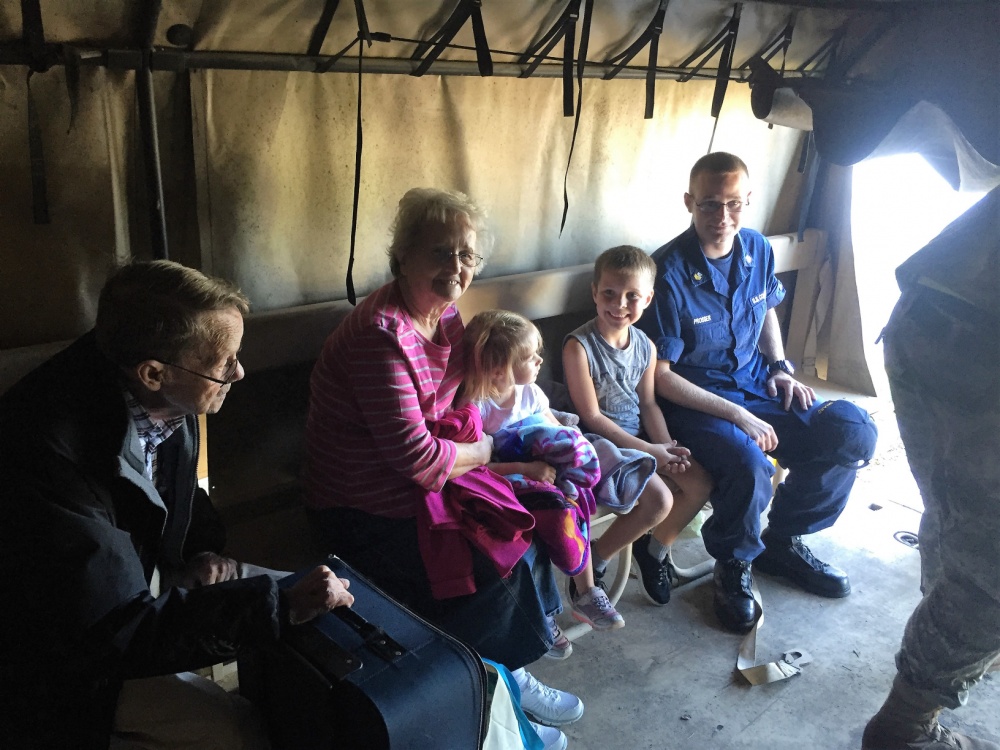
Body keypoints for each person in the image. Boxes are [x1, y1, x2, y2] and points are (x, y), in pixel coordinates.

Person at [0, 260, 355, 750]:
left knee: (312, 598)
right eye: (224, 362)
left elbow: (171, 501)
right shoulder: (49, 451)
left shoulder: (163, 393)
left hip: (125, 594)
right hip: (54, 663)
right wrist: (278, 606)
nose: (240, 371)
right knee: (236, 731)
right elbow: (114, 630)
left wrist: (199, 554)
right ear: (153, 373)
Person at [303, 187, 582, 750]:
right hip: (363, 510)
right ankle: (493, 702)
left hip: (419, 491)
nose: (456, 268)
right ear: (403, 254)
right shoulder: (381, 337)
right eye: (440, 252)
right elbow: (420, 460)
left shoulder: (446, 317)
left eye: (467, 255)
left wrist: (480, 449)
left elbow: (458, 409)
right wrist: (488, 454)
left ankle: (506, 673)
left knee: (530, 520)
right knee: (486, 565)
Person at [635, 152, 878, 633]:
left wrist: (781, 367)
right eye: (708, 205)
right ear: (689, 203)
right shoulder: (668, 272)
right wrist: (738, 417)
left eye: (733, 204)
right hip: (693, 403)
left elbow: (766, 306)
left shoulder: (756, 249)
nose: (722, 218)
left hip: (756, 386)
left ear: (749, 201)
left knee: (852, 432)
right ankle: (734, 563)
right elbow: (661, 376)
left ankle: (784, 542)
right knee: (750, 465)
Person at [862, 187, 1000, 749]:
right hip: (971, 340)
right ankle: (906, 724)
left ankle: (952, 623)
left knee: (954, 507)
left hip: (935, 315)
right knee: (991, 570)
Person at [563, 245, 714, 607]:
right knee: (660, 500)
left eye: (632, 296)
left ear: (648, 298)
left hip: (640, 441)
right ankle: (595, 559)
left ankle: (655, 551)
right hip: (600, 445)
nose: (619, 304)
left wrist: (667, 448)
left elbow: (647, 404)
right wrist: (650, 451)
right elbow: (592, 417)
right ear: (595, 294)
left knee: (698, 482)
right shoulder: (579, 347)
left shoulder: (645, 345)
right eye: (610, 294)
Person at [461, 309, 625, 633]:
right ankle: (544, 617)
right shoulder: (477, 406)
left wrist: (569, 459)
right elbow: (477, 466)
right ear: (497, 371)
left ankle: (586, 590)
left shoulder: (531, 393)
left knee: (573, 497)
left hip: (543, 468)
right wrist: (526, 468)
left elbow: (555, 431)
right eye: (528, 357)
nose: (539, 360)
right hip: (507, 476)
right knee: (549, 514)